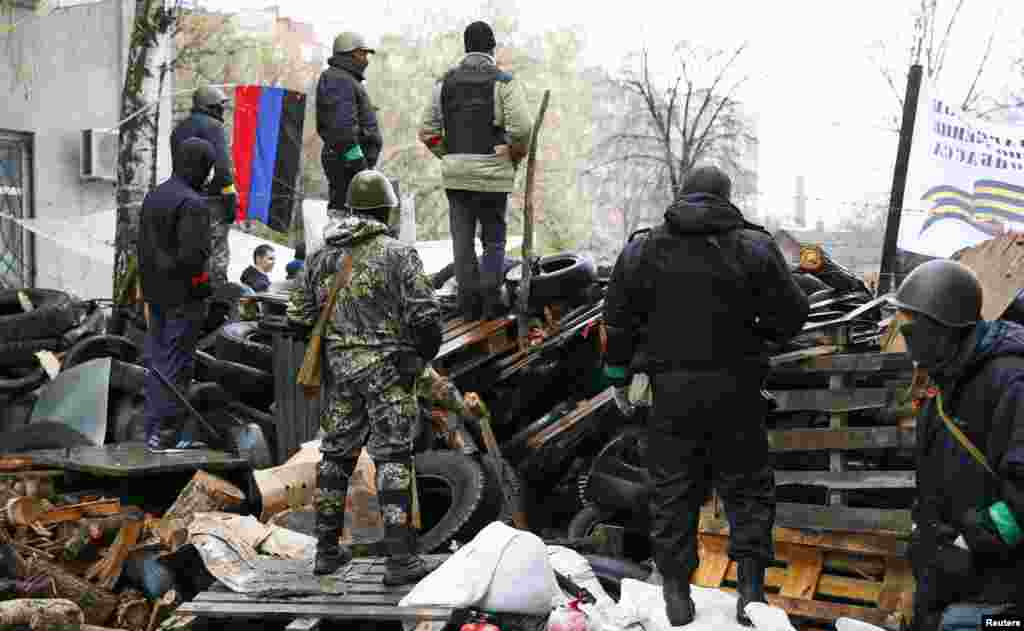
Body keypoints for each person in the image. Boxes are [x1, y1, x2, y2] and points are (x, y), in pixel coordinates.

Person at [602, 166, 810, 626]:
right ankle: (750, 597)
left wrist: (618, 378)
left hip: (670, 398)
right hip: (738, 394)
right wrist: (760, 336)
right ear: (726, 197)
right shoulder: (755, 248)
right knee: (748, 492)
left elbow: (616, 323)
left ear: (683, 195)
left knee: (672, 494)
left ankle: (677, 597)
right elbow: (793, 316)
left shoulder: (643, 248)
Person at [287, 170, 442, 583]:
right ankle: (399, 560)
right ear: (387, 209)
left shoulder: (321, 255)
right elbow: (426, 315)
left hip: (341, 375)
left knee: (335, 457)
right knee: (393, 457)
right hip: (389, 373)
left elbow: (298, 317)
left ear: (352, 209)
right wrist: (420, 354)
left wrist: (338, 341)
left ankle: (326, 552)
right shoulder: (397, 254)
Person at [889, 260, 1024, 631]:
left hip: (995, 592)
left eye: (913, 325)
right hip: (947, 581)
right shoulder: (946, 379)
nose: (906, 335)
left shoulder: (1011, 382)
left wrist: (969, 542)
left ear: (943, 328)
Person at [418, 20, 533, 321]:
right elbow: (522, 128)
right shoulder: (504, 81)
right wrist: (513, 153)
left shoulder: (444, 83)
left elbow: (427, 131)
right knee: (493, 240)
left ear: (466, 48)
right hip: (494, 176)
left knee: (462, 241)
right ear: (492, 48)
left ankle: (467, 308)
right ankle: (491, 306)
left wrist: (449, 154)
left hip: (456, 176)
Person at [137, 138, 216, 451]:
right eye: (208, 169)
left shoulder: (154, 196)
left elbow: (142, 249)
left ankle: (153, 430)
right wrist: (204, 288)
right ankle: (168, 434)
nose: (209, 176)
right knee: (177, 364)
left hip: (155, 296)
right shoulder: (193, 204)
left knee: (158, 361)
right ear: (199, 166)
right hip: (183, 298)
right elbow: (193, 258)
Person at [170, 85, 238, 291]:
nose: (223, 111)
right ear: (213, 107)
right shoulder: (214, 127)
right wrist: (230, 202)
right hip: (211, 202)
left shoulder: (178, 131)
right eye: (221, 107)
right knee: (216, 253)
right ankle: (215, 302)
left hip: (182, 200)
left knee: (191, 250)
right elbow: (223, 171)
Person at [316, 31, 382, 212]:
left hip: (349, 163)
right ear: (349, 54)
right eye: (362, 53)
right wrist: (360, 167)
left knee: (350, 218)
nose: (366, 59)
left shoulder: (345, 79)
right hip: (347, 165)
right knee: (345, 222)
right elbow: (343, 132)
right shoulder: (339, 80)